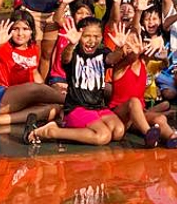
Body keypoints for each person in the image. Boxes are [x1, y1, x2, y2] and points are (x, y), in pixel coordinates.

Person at [24, 17, 130, 145]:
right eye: (87, 36)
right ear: (79, 36)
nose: (92, 41)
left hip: (98, 107)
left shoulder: (102, 52)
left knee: (118, 131)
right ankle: (51, 131)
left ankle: (75, 130)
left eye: (96, 36)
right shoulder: (74, 53)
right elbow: (65, 59)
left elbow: (112, 59)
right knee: (103, 136)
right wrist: (71, 45)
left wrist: (119, 48)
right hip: (76, 108)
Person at [0, 11, 65, 128]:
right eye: (16, 28)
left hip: (17, 101)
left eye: (25, 29)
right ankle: (73, 100)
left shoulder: (33, 48)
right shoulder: (3, 44)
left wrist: (47, 93)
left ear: (31, 32)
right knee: (35, 89)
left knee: (52, 109)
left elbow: (35, 74)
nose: (20, 33)